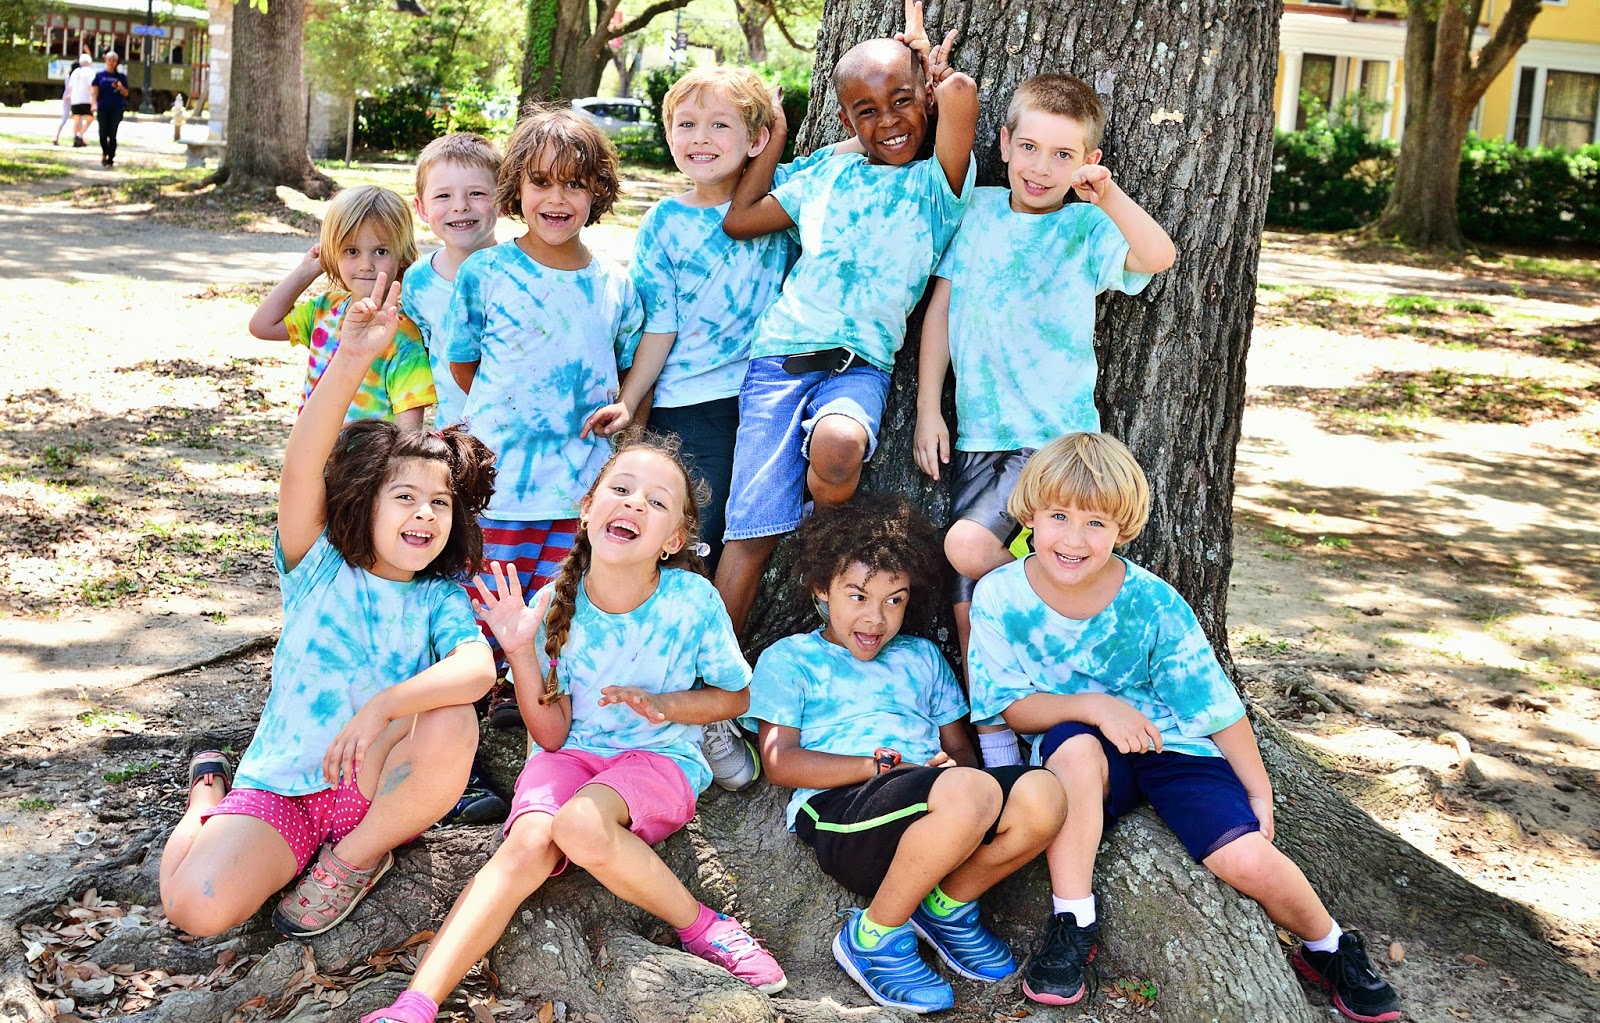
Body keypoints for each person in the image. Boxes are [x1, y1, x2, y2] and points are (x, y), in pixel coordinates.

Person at [965, 433, 1402, 1022]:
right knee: (1071, 752)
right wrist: (1095, 706)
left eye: (1095, 523)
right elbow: (1012, 707)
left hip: (1174, 745)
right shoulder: (1000, 595)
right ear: (1030, 516)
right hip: (1081, 748)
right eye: (1059, 517)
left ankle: (1329, 946)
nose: (1073, 539)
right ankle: (1073, 920)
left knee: (1245, 859)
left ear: (1121, 529)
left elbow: (1215, 706)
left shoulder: (1154, 603)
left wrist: (1258, 790)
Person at [362, 434, 786, 1023]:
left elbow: (735, 696)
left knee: (581, 825)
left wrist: (665, 704)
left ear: (674, 540)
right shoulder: (552, 604)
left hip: (658, 761)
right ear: (587, 509)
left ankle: (704, 925)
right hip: (570, 759)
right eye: (621, 489)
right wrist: (519, 651)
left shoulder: (692, 602)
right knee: (525, 844)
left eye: (656, 501)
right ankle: (414, 1004)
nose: (634, 503)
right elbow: (553, 735)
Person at [158, 273, 498, 941]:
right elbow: (300, 466)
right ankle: (207, 796)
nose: (425, 514)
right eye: (405, 498)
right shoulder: (317, 565)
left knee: (453, 714)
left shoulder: (438, 598)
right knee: (196, 907)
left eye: (440, 503)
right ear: (364, 501)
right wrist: (351, 358)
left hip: (371, 789)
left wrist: (385, 706)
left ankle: (353, 860)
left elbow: (477, 669)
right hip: (281, 788)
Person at [913, 73, 1176, 769]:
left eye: (1063, 155)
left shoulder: (1087, 226)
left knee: (968, 546)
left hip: (1058, 446)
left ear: (1088, 161)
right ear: (1003, 143)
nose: (1040, 167)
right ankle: (998, 735)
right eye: (1028, 147)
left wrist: (1107, 195)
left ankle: (1068, 595)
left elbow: (1158, 257)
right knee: (970, 598)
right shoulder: (978, 210)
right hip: (980, 437)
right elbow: (942, 310)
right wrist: (928, 408)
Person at [623, 68, 856, 791]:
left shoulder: (784, 197)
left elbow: (857, 148)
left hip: (767, 398)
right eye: (685, 125)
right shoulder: (664, 223)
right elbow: (657, 325)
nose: (699, 139)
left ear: (755, 138)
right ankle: (662, 699)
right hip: (687, 406)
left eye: (719, 125)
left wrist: (779, 133)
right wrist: (634, 407)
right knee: (683, 552)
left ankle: (710, 705)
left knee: (746, 542)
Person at [744, 495, 1066, 1014]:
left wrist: (953, 773)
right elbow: (781, 763)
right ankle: (873, 936)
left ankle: (946, 905)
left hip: (936, 805)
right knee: (968, 791)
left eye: (894, 600)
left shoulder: (921, 656)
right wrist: (875, 767)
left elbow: (959, 748)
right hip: (844, 810)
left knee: (1044, 793)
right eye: (858, 596)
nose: (876, 618)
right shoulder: (792, 659)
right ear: (822, 588)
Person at [716, 0, 977, 638]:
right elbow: (740, 219)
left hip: (858, 367)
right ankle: (710, 672)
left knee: (838, 448)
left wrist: (931, 70)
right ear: (845, 121)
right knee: (750, 532)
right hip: (778, 362)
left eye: (902, 101)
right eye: (867, 110)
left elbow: (962, 98)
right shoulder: (827, 174)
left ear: (925, 99)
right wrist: (779, 136)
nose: (888, 120)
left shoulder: (937, 186)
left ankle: (819, 513)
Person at [443, 107, 643, 729]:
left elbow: (623, 368)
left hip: (578, 489)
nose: (557, 199)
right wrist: (513, 417)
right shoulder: (487, 273)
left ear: (598, 191)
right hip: (499, 488)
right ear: (516, 188)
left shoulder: (615, 285)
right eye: (541, 182)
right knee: (482, 605)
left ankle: (531, 707)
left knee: (557, 609)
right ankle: (460, 721)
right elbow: (464, 364)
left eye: (574, 184)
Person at [248, 185, 435, 428]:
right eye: (351, 251)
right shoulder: (325, 310)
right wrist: (307, 271)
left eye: (381, 251)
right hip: (312, 450)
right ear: (333, 253)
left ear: (402, 256)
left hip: (370, 454)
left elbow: (409, 433)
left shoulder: (402, 334)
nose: (366, 264)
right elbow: (262, 326)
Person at [402, 132, 501, 430]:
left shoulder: (523, 274)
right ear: (421, 208)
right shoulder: (417, 281)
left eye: (477, 193)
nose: (460, 206)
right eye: (443, 196)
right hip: (454, 434)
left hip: (519, 434)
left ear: (504, 199)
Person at [90, 51, 131, 167]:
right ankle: (104, 152)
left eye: (114, 60)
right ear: (105, 61)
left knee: (112, 134)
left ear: (117, 62)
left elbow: (126, 93)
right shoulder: (99, 76)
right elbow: (94, 92)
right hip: (102, 108)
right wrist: (94, 104)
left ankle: (110, 157)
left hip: (116, 108)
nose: (111, 62)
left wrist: (120, 87)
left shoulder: (121, 77)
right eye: (109, 60)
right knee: (102, 133)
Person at [66, 54, 95, 148]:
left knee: (77, 120)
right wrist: (94, 99)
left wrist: (69, 95)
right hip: (86, 99)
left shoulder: (75, 72)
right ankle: (80, 135)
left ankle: (76, 138)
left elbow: (70, 87)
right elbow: (91, 86)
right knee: (90, 118)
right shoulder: (90, 72)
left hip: (75, 99)